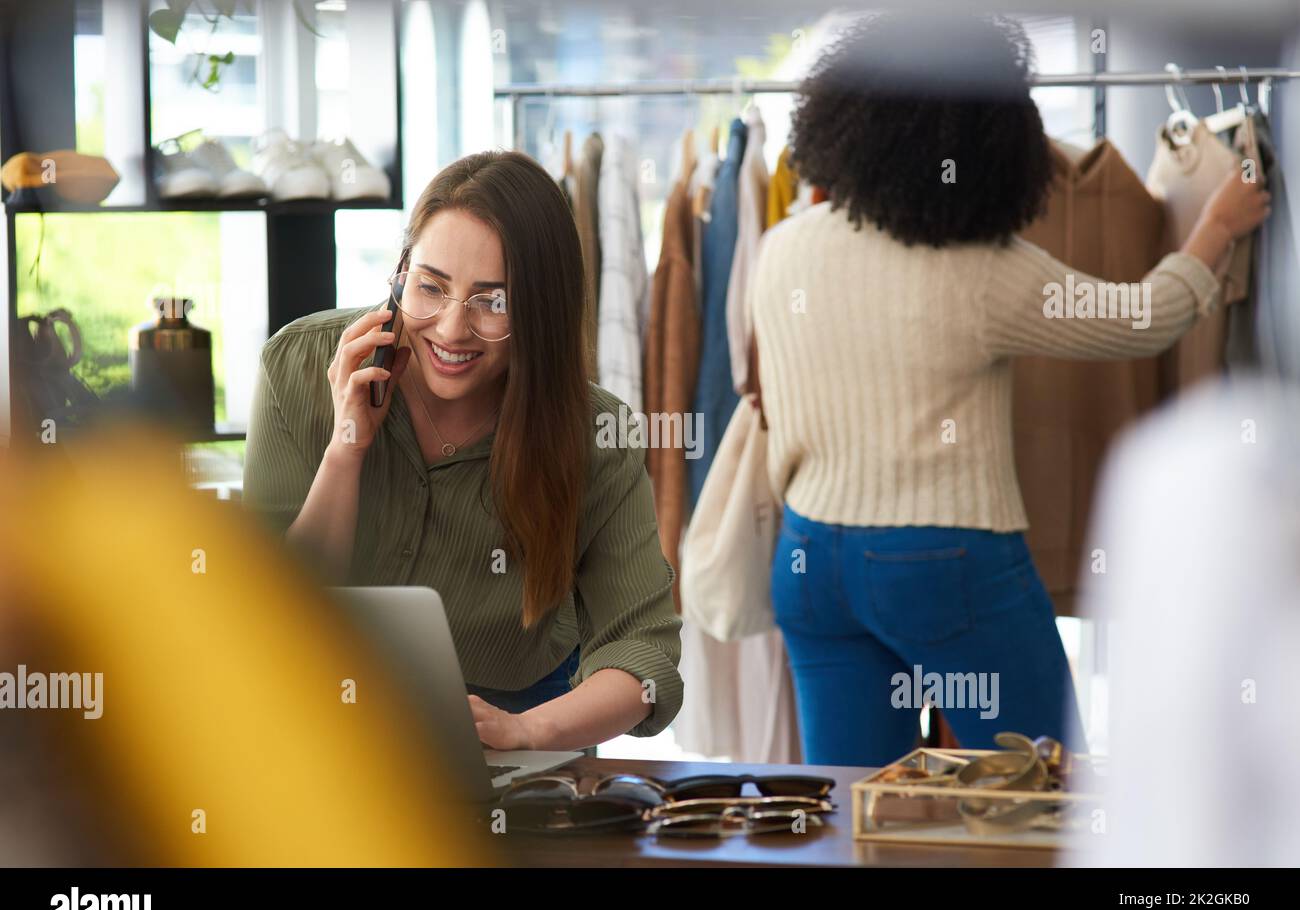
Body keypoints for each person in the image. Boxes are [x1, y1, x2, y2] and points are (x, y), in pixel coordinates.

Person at [749, 12, 1270, 766]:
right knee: (1046, 790)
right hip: (945, 562)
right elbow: (1143, 319)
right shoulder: (985, 271)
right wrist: (1216, 226)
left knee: (853, 807)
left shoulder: (782, 249)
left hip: (810, 563)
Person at [243, 151, 683, 752]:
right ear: (401, 272)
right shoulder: (297, 365)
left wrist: (528, 730)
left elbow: (644, 655)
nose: (452, 329)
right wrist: (346, 450)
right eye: (431, 287)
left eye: (492, 301)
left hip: (517, 726)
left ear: (540, 310)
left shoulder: (597, 434)